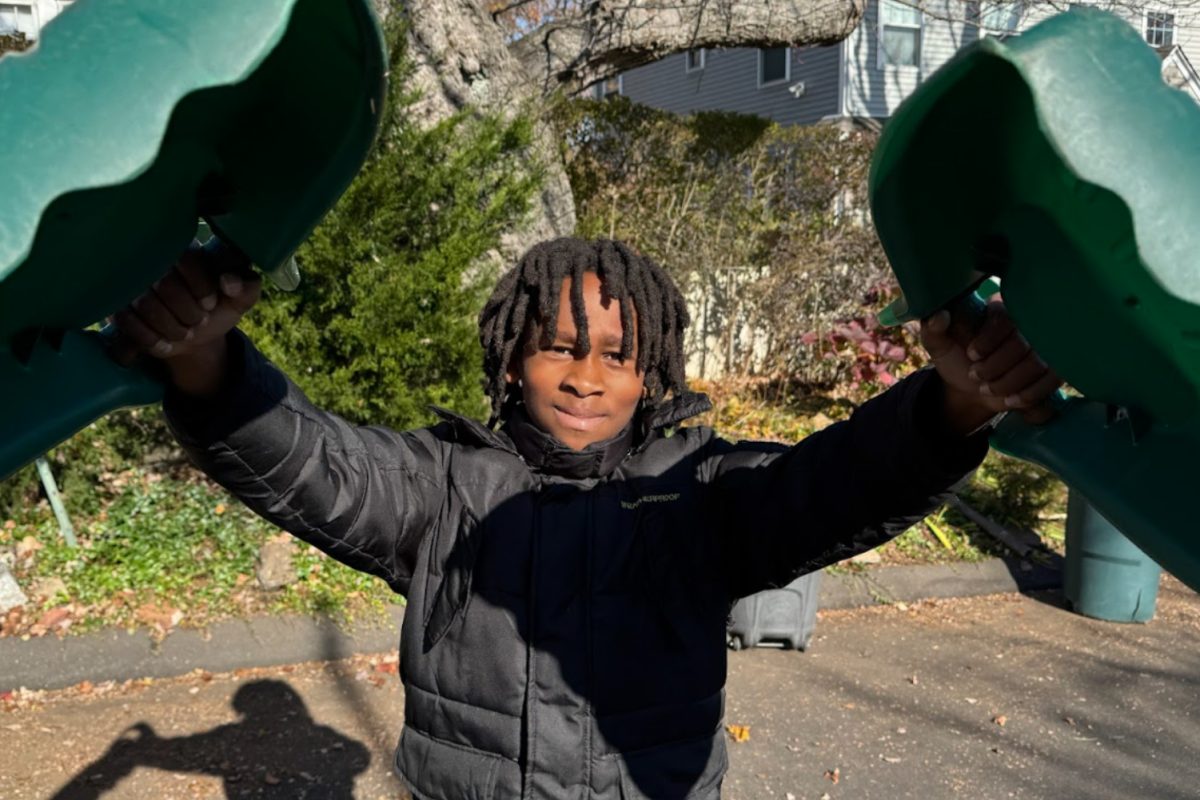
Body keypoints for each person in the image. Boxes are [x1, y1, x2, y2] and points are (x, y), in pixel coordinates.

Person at [115, 236, 1060, 799]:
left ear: (652, 373)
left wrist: (955, 404)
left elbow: (834, 484)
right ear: (509, 359)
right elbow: (313, 461)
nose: (584, 376)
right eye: (558, 348)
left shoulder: (698, 490)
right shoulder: (442, 487)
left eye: (617, 355)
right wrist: (206, 361)